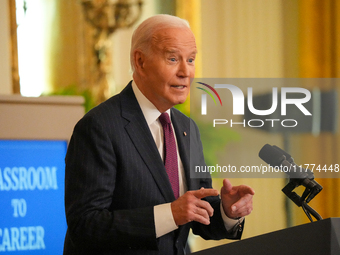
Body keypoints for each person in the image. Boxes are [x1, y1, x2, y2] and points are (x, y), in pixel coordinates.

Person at [63, 14, 254, 255]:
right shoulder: (99, 127)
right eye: (173, 58)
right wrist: (170, 214)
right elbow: (85, 226)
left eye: (191, 59)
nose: (186, 71)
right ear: (140, 62)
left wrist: (227, 211)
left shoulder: (188, 128)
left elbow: (197, 213)